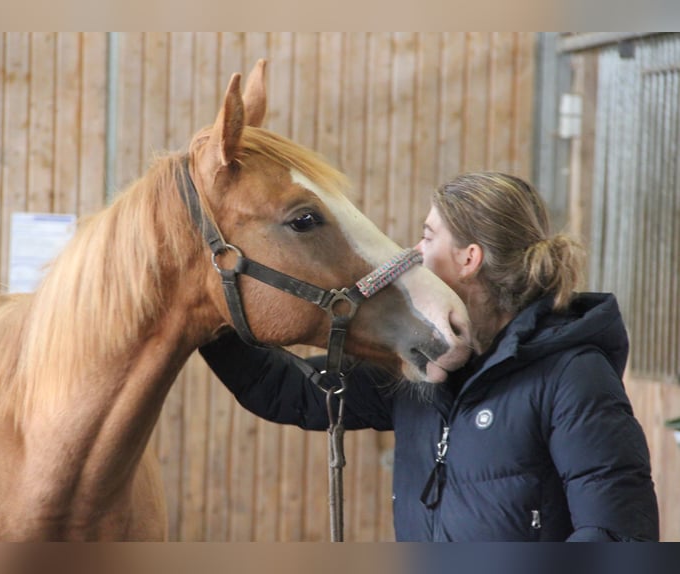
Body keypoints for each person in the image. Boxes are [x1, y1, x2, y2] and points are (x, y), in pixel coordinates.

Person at [199, 172, 659, 541]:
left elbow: (617, 532)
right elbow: (293, 394)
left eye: (428, 236)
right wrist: (204, 315)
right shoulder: (421, 369)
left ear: (469, 259)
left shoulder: (573, 376)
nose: (413, 252)